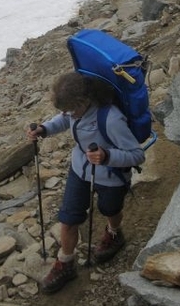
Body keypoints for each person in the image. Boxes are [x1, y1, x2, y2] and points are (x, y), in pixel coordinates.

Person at [27, 71, 145, 294]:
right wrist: (44, 129)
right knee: (69, 217)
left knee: (109, 208)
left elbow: (137, 155)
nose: (67, 114)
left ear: (84, 101)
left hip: (111, 176)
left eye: (70, 109)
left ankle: (114, 232)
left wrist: (107, 156)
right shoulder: (75, 111)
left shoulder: (111, 118)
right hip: (80, 169)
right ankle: (66, 262)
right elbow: (64, 119)